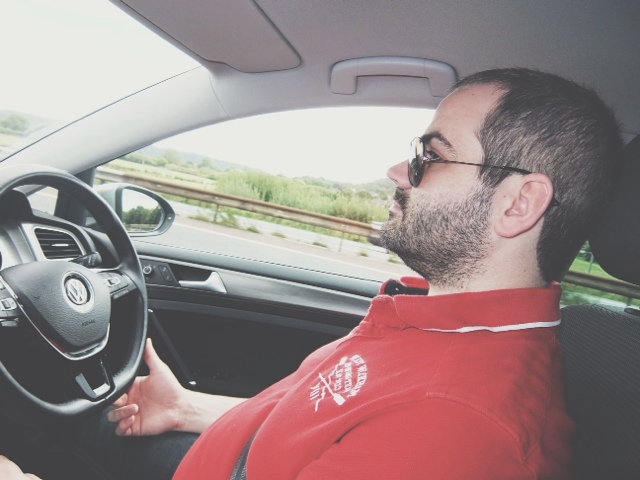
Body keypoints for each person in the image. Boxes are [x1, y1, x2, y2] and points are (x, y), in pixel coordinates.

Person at [3, 67, 623, 479]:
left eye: (430, 157)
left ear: (519, 203)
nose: (397, 172)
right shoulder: (438, 318)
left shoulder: (459, 431)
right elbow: (323, 423)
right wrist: (190, 408)